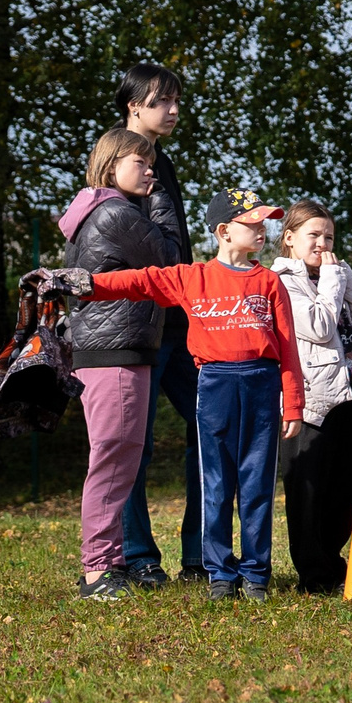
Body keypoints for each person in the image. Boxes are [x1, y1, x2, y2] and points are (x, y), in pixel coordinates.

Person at [32, 190, 304, 601]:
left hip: (261, 385)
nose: (262, 229)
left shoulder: (269, 282)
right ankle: (220, 573)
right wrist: (85, 283)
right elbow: (138, 280)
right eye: (252, 222)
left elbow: (287, 348)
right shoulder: (193, 277)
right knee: (215, 482)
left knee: (256, 482)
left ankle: (255, 574)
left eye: (264, 221)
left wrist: (293, 403)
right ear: (224, 231)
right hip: (214, 385)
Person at [57, 127, 175, 600]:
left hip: (110, 349)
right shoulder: (116, 213)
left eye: (152, 166)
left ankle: (108, 563)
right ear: (110, 166)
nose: (149, 173)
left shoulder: (97, 208)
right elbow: (170, 257)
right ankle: (99, 570)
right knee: (113, 460)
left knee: (116, 459)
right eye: (140, 164)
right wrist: (161, 198)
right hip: (115, 351)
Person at [114, 63, 200, 588]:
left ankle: (202, 554)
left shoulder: (160, 162)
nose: (172, 110)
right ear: (133, 106)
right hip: (136, 328)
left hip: (180, 323)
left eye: (176, 101)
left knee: (212, 428)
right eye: (161, 101)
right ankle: (138, 556)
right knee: (132, 445)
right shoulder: (119, 164)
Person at [268, 199, 352, 594]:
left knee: (349, 482)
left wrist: (344, 274)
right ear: (289, 238)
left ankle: (331, 560)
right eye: (313, 235)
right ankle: (314, 575)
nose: (322, 243)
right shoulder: (281, 280)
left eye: (329, 236)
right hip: (308, 400)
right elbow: (318, 326)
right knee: (307, 490)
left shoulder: (333, 274)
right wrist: (331, 279)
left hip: (345, 394)